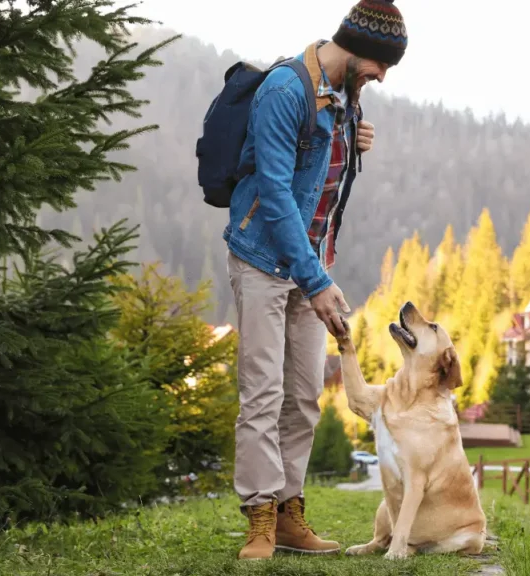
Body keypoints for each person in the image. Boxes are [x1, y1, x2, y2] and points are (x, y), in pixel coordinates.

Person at [221, 0, 408, 561]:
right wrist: (317, 281)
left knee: (303, 397)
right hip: (263, 260)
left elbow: (322, 180)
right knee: (262, 394)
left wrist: (356, 143)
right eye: (380, 65)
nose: (381, 77)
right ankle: (257, 517)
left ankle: (288, 515)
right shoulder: (285, 89)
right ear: (356, 51)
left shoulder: (347, 97)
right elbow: (277, 196)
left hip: (311, 265)